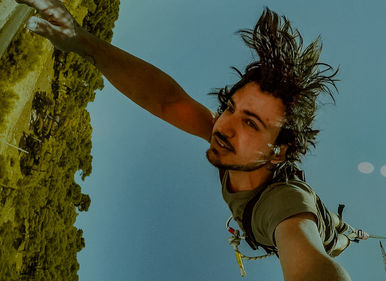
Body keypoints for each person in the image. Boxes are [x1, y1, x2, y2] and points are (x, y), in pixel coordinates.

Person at [16, 0, 359, 280]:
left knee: (340, 239)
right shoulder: (235, 148)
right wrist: (80, 39)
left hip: (321, 225)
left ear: (277, 152)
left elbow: (310, 260)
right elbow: (168, 101)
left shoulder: (284, 205)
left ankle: (346, 234)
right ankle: (346, 233)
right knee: (339, 234)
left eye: (251, 124)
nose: (225, 126)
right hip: (306, 210)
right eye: (230, 108)